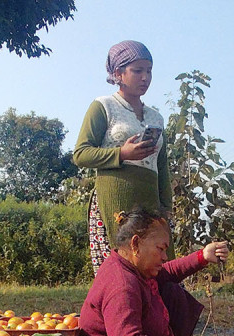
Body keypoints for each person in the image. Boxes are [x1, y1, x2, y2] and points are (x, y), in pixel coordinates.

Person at [79, 208, 230, 336]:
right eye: (160, 249)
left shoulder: (134, 267)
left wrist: (202, 257)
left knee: (173, 292)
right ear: (135, 244)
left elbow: (168, 271)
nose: (165, 256)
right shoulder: (122, 283)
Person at [73, 40, 172, 273]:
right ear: (118, 73)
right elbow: (81, 154)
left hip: (149, 197)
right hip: (115, 196)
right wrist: (121, 153)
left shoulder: (156, 117)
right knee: (122, 267)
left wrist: (166, 207)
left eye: (149, 71)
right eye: (137, 71)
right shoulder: (103, 106)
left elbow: (162, 167)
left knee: (157, 265)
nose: (145, 77)